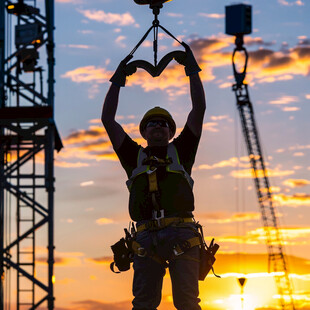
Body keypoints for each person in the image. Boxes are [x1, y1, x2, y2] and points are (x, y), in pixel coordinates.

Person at [102, 43, 206, 310]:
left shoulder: (182, 151)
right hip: (146, 239)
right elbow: (108, 119)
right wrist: (117, 80)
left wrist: (192, 71)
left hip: (182, 233)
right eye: (152, 123)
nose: (158, 126)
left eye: (163, 124)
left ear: (171, 132)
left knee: (187, 302)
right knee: (144, 304)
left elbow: (198, 110)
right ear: (144, 132)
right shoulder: (133, 156)